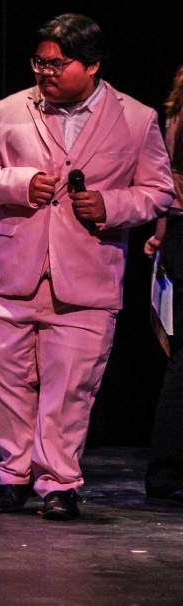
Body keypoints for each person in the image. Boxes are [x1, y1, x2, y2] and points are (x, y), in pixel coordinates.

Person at [0, 14, 174, 520]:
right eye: (41, 62)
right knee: (3, 378)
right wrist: (15, 183)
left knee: (69, 388)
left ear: (93, 64)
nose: (47, 72)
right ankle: (13, 477)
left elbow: (159, 190)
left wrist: (112, 206)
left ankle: (59, 484)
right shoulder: (8, 109)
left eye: (59, 63)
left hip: (87, 274)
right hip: (10, 272)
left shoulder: (137, 118)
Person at [144, 66, 183, 505]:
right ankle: (166, 471)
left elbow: (166, 184)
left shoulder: (174, 113)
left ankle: (165, 470)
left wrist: (160, 232)